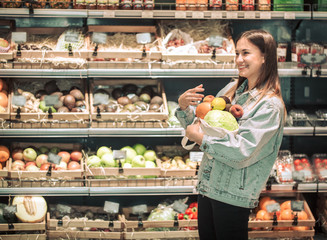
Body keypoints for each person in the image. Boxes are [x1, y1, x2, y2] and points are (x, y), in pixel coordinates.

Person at [175, 29, 286, 240]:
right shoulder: (230, 91)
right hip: (208, 187)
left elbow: (241, 150)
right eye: (237, 53)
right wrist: (184, 110)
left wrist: (200, 138)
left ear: (264, 57)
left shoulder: (269, 106)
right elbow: (206, 129)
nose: (239, 59)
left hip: (234, 194)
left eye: (246, 53)